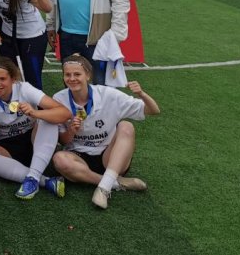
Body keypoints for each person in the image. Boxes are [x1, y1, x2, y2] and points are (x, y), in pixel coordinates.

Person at [52, 54, 160, 209]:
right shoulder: (58, 99)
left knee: (126, 126)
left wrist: (141, 94)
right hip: (79, 158)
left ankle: (103, 189)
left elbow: (153, 110)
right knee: (59, 159)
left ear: (88, 75)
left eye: (77, 74)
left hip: (109, 156)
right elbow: (64, 141)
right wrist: (72, 131)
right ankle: (115, 183)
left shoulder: (108, 94)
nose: (72, 78)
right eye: (67, 74)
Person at [0, 56, 70, 200]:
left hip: (33, 140)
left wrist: (35, 112)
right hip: (7, 146)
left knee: (48, 120)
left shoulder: (25, 88)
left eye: (2, 79)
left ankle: (32, 179)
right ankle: (45, 181)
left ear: (13, 79)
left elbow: (64, 113)